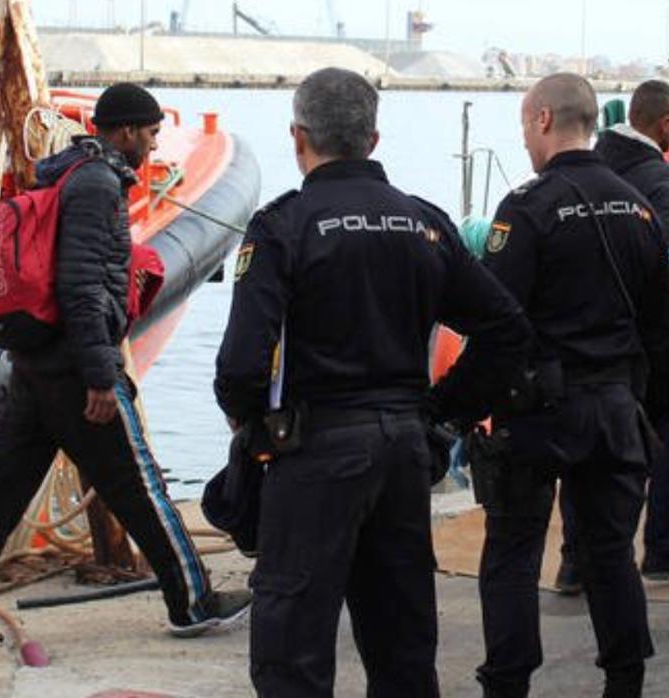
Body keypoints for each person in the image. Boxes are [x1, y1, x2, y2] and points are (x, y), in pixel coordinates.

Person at [216, 67, 532, 697]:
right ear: (374, 138)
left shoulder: (284, 226)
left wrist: (255, 429)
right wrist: (441, 415)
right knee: (403, 644)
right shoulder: (425, 223)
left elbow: (240, 369)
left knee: (291, 651)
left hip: (315, 452)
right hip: (403, 451)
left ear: (297, 136)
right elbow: (508, 331)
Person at [0, 82, 252, 651]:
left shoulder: (63, 175)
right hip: (75, 371)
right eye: (149, 135)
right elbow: (81, 287)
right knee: (142, 485)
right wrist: (102, 376)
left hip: (34, 365)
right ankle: (194, 602)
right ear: (124, 131)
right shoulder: (99, 185)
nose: (152, 148)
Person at [476, 73, 669, 698]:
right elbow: (660, 331)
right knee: (609, 552)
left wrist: (459, 407)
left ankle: (507, 684)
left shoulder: (527, 207)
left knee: (512, 550)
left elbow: (499, 324)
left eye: (522, 125)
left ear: (541, 120)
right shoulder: (638, 206)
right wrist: (657, 414)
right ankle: (625, 680)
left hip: (539, 411)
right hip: (615, 408)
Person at [549, 78, 669, 594]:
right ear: (668, 126)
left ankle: (575, 561)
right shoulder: (659, 181)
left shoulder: (592, 166)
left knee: (586, 450)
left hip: (584, 336)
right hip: (643, 340)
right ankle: (663, 548)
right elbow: (666, 269)